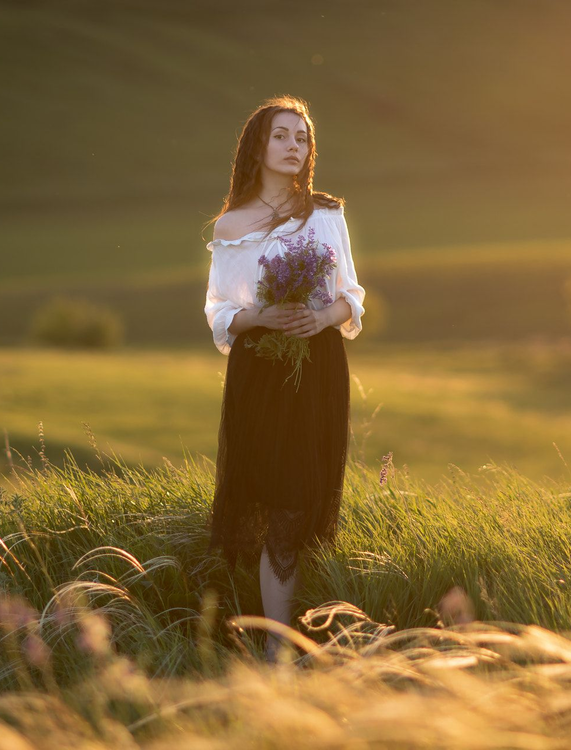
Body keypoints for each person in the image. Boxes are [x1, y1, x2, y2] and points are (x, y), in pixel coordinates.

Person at [202, 95, 365, 663]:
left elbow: (351, 296)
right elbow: (220, 308)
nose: (294, 146)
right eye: (282, 136)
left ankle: (281, 642)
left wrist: (322, 316)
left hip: (316, 366)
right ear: (257, 146)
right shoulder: (230, 224)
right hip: (259, 371)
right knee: (265, 498)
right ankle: (271, 642)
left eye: (302, 138)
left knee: (297, 498)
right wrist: (261, 316)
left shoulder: (326, 213)